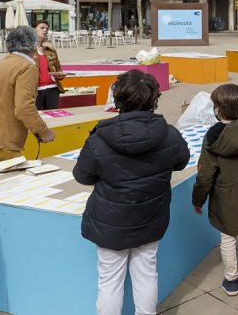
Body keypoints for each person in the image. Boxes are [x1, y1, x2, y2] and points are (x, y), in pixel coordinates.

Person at [73, 70, 189, 315]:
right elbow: (181, 161)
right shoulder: (169, 134)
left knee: (109, 282)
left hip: (110, 222)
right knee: (147, 274)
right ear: (153, 99)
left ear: (118, 100)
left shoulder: (99, 137)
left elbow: (82, 175)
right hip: (150, 217)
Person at [191, 83, 238, 297]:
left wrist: (197, 200)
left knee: (227, 238)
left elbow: (205, 175)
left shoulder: (212, 137)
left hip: (224, 197)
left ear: (218, 109)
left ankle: (232, 279)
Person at [0, 26, 55, 165]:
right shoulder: (27, 67)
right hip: (0, 140)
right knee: (15, 181)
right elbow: (23, 107)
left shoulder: (3, 62)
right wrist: (43, 131)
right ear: (33, 45)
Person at [34, 20, 67, 110]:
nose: (45, 30)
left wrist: (60, 75)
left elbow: (58, 68)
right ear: (33, 29)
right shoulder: (27, 49)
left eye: (47, 28)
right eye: (42, 28)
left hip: (53, 88)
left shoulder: (50, 49)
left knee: (53, 118)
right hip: (35, 90)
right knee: (35, 117)